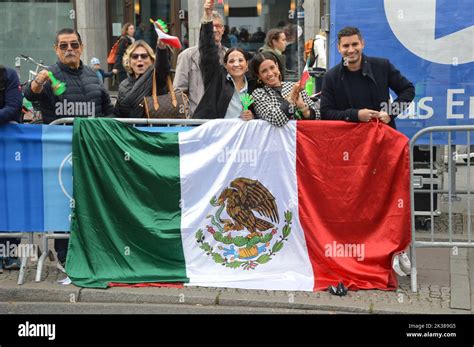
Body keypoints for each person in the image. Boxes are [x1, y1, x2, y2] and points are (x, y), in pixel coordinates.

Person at [23, 28, 114, 271]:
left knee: (93, 202)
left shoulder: (93, 75)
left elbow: (107, 109)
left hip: (92, 152)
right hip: (60, 156)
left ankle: (94, 252)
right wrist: (37, 82)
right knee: (64, 204)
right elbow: (30, 95)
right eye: (63, 46)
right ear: (56, 49)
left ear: (82, 47)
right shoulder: (50, 76)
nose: (69, 49)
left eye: (74, 44)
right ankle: (65, 256)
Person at [320, 26, 415, 129]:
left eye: (355, 44)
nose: (351, 50)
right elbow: (325, 113)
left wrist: (390, 113)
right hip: (348, 140)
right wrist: (356, 115)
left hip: (381, 137)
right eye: (346, 46)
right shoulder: (331, 77)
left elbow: (408, 90)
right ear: (339, 48)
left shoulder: (382, 66)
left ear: (362, 44)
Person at [193, 0, 255, 120]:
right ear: (225, 65)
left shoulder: (252, 85)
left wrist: (253, 115)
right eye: (231, 61)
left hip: (242, 136)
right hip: (217, 135)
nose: (236, 64)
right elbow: (208, 51)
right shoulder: (217, 78)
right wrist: (207, 17)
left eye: (240, 60)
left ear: (247, 65)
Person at [173, 0, 227, 117]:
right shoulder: (187, 56)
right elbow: (179, 91)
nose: (214, 30)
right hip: (197, 119)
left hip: (224, 119)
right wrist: (189, 117)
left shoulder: (229, 56)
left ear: (223, 29)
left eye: (218, 26)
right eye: (210, 26)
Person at [251, 52, 320, 127]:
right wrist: (292, 96)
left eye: (272, 67)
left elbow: (318, 117)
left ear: (277, 66)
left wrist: (303, 108)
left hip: (299, 137)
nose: (270, 73)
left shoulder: (294, 86)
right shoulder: (258, 94)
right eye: (264, 71)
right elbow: (277, 120)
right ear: (259, 76)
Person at [0, 64, 23, 273]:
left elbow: (14, 107)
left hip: (6, 147)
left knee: (7, 199)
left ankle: (9, 253)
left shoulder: (8, 74)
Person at [114, 39, 170, 118]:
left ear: (151, 60)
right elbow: (118, 114)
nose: (139, 59)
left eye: (144, 56)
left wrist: (161, 48)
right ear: (129, 61)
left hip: (153, 129)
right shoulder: (123, 85)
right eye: (135, 56)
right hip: (129, 129)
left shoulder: (157, 78)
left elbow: (163, 68)